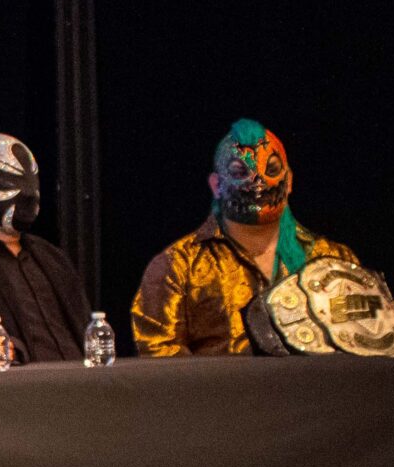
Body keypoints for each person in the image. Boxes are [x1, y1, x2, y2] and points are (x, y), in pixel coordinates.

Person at [132, 119, 359, 356]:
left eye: (271, 170)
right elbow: (158, 355)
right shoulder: (178, 266)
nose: (257, 181)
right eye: (240, 172)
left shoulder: (333, 259)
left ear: (289, 181)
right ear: (216, 185)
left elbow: (360, 343)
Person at [0, 133, 91, 364]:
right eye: (6, 181)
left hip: (81, 380)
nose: (27, 193)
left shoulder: (51, 257)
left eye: (30, 180)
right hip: (17, 383)